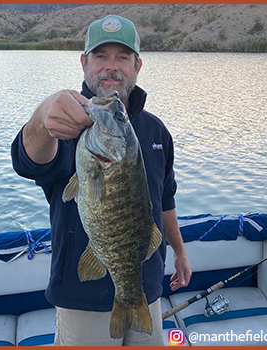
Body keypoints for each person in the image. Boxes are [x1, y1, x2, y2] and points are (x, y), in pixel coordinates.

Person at [10, 14, 191, 346]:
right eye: (100, 56)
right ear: (84, 62)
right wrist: (41, 117)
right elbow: (28, 163)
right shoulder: (65, 124)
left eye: (122, 57)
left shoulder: (156, 132)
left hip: (144, 288)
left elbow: (164, 199)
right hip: (82, 300)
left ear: (137, 65)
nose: (112, 66)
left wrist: (179, 251)